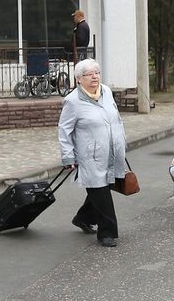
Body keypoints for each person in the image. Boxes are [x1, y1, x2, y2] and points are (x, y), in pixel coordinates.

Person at [58, 59, 126, 247]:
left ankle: (83, 218)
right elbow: (64, 130)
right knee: (101, 192)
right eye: (89, 74)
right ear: (79, 79)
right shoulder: (73, 101)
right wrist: (68, 156)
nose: (95, 76)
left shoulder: (106, 91)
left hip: (112, 150)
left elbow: (116, 118)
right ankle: (107, 233)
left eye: (97, 72)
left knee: (101, 188)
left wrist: (121, 140)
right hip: (90, 156)